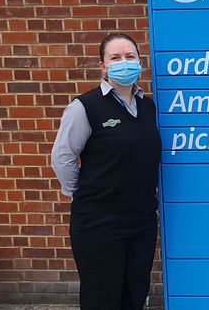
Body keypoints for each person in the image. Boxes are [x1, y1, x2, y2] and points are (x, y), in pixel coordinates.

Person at [51, 33, 162, 310]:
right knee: (102, 297)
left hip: (142, 219)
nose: (124, 62)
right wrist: (81, 192)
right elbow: (62, 157)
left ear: (140, 62)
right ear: (103, 65)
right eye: (115, 57)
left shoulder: (147, 106)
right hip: (99, 222)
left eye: (129, 56)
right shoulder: (85, 107)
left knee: (135, 293)